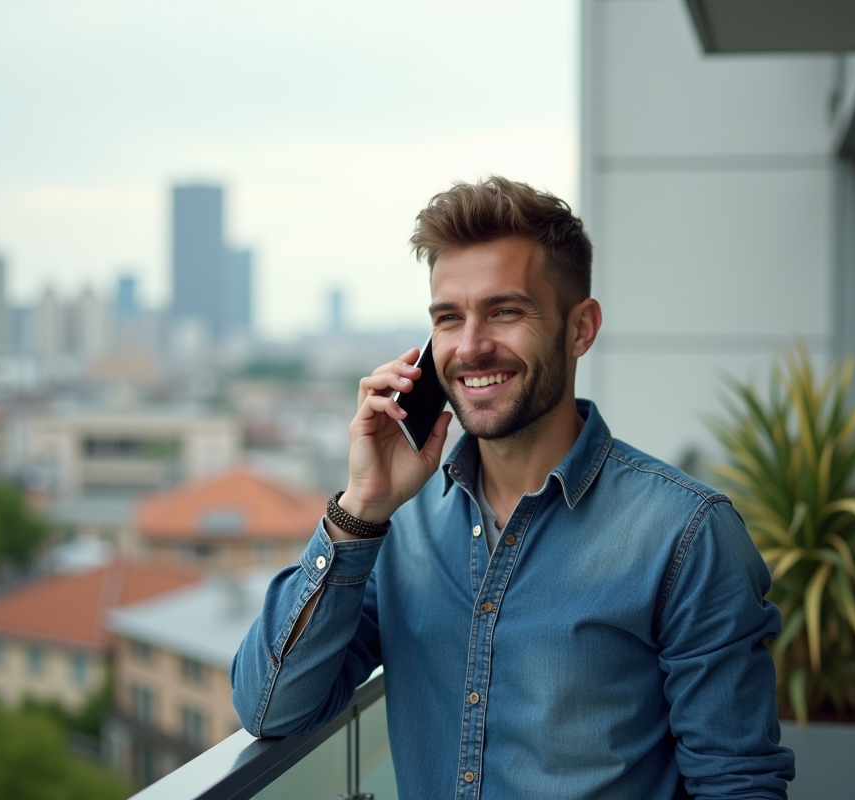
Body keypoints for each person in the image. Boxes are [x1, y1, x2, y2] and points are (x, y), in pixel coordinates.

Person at [231, 176, 795, 799]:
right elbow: (269, 709)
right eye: (449, 318)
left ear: (580, 329)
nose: (470, 346)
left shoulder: (686, 536)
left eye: (505, 311)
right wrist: (360, 508)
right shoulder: (399, 523)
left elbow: (738, 785)